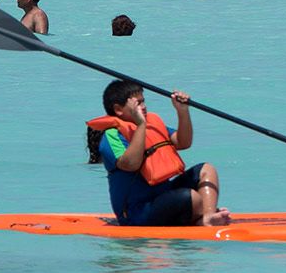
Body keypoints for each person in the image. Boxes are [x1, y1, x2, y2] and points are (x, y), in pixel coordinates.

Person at [89, 81, 229, 227]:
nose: (144, 106)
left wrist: (182, 111)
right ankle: (201, 218)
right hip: (136, 212)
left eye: (143, 101)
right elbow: (131, 164)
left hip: (163, 197)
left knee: (207, 170)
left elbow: (183, 142)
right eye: (138, 104)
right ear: (118, 109)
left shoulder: (153, 124)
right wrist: (141, 125)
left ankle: (208, 217)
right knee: (192, 197)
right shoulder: (112, 136)